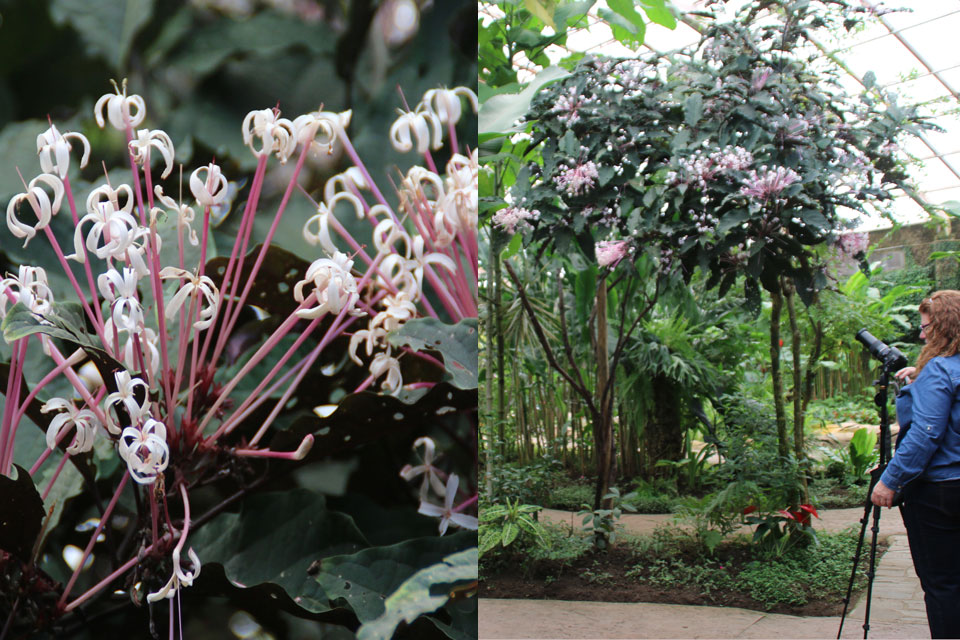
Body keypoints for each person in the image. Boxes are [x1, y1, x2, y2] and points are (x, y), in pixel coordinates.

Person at [871, 290, 960, 639]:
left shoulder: (940, 369)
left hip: (940, 492)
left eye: (926, 327)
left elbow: (925, 434)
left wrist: (889, 480)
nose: (921, 335)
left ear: (943, 327)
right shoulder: (941, 371)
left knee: (943, 584)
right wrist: (920, 381)